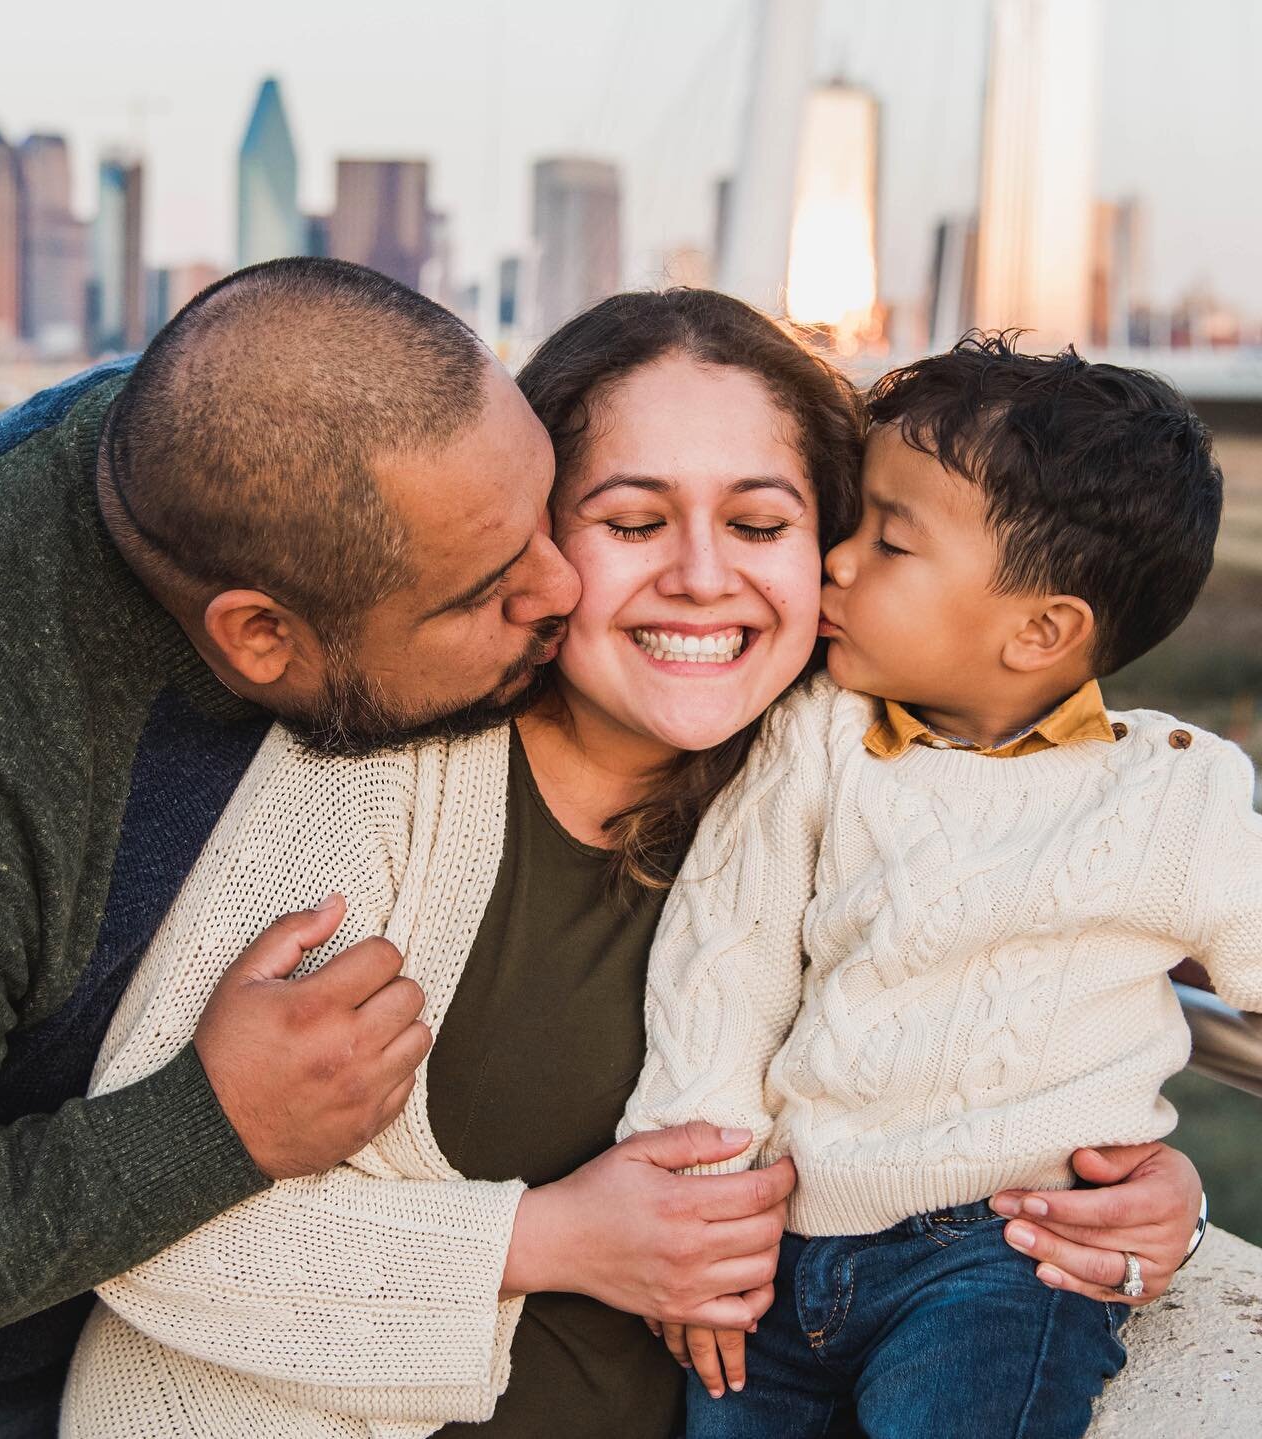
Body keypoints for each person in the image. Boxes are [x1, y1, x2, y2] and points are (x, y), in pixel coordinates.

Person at [61, 298, 1206, 1439]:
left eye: (760, 525)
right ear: (540, 539)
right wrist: (550, 1237)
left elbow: (1025, 990)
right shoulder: (372, 789)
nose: (703, 577)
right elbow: (135, 1224)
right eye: (632, 521)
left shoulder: (861, 783)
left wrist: (1149, 1200)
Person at [0, 258, 581, 1434]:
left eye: (551, 509)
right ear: (262, 635)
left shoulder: (266, 444)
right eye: (490, 590)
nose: (566, 583)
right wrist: (209, 1125)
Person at [621, 335, 1252, 1439]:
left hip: (1004, 1257)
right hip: (780, 1243)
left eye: (891, 541)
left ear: (1042, 630)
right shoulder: (820, 736)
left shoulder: (1176, 790)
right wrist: (703, 1190)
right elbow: (730, 951)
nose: (839, 562)